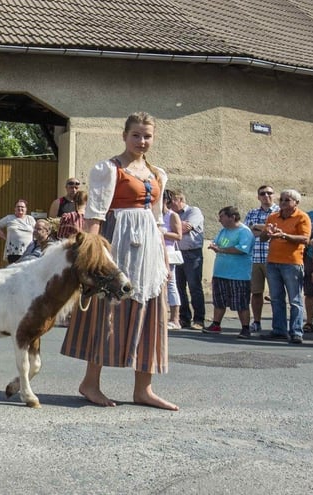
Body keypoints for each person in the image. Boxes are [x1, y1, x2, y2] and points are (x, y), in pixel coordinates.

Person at [61, 112, 177, 411]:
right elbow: (95, 216)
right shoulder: (110, 169)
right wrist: (91, 256)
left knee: (151, 309)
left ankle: (144, 389)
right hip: (118, 241)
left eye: (147, 136)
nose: (142, 141)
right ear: (124, 136)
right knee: (106, 309)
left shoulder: (157, 174)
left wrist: (164, 259)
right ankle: (90, 382)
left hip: (148, 248)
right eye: (136, 135)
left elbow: (156, 219)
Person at [259, 189, 312, 344]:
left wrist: (284, 236)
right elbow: (262, 239)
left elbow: (305, 239)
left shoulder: (302, 217)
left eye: (287, 200)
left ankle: (296, 332)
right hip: (273, 262)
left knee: (295, 299)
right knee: (276, 299)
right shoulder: (273, 216)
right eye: (281, 199)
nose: (282, 202)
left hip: (292, 263)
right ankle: (279, 330)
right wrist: (267, 232)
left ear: (296, 202)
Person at [204, 207, 255, 339]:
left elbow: (241, 250)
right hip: (221, 272)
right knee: (219, 301)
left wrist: (221, 249)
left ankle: (245, 328)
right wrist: (215, 246)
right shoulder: (223, 231)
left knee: (241, 303)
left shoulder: (244, 232)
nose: (219, 219)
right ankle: (216, 324)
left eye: (222, 216)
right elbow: (217, 243)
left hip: (238, 274)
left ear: (232, 217)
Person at [245, 184, 279, 333]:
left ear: (274, 195)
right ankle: (257, 322)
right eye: (263, 194)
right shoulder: (252, 212)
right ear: (258, 197)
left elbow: (277, 232)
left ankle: (278, 325)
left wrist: (258, 228)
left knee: (276, 294)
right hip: (255, 258)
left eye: (269, 193)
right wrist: (265, 229)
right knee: (256, 293)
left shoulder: (280, 212)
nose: (266, 196)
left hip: (274, 258)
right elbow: (247, 232)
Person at [170, 190, 205, 330]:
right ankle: (184, 318)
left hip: (192, 254)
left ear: (180, 199)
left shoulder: (193, 211)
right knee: (179, 287)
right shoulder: (172, 215)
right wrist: (176, 226)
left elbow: (185, 228)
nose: (168, 204)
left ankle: (199, 319)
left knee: (194, 286)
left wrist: (173, 227)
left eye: (171, 200)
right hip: (177, 253)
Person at [160, 192, 183, 330]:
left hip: (168, 253)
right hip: (155, 252)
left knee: (171, 285)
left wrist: (162, 232)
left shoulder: (172, 215)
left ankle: (175, 319)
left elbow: (178, 236)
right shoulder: (153, 215)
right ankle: (162, 315)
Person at [0, 199, 36, 264]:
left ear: (26, 209)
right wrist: (5, 237)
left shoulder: (30, 219)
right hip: (13, 251)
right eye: (18, 206)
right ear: (15, 209)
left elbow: (36, 231)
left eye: (22, 207)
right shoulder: (9, 218)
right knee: (13, 271)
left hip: (28, 251)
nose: (20, 208)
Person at [302, 192, 313, 334]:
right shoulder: (309, 215)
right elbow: (302, 234)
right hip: (309, 257)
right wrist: (309, 242)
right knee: (310, 291)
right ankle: (309, 322)